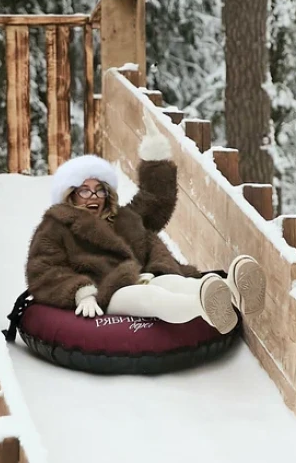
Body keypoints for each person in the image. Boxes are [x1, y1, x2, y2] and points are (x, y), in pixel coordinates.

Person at [25, 132, 266, 333]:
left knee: (173, 282)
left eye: (99, 190)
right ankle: (204, 306)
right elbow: (44, 269)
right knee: (150, 298)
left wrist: (156, 162)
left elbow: (155, 200)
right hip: (109, 291)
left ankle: (234, 292)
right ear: (71, 194)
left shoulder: (123, 218)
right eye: (85, 191)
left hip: (148, 275)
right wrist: (81, 292)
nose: (94, 197)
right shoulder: (55, 226)